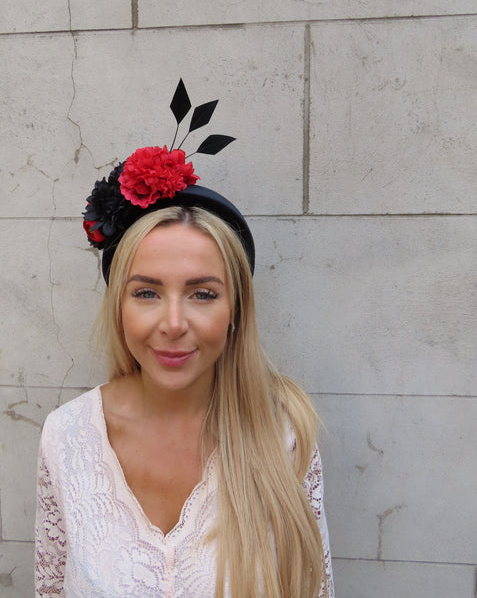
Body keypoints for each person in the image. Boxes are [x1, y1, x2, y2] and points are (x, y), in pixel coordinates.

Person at [35, 81, 335, 598]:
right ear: (119, 307)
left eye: (202, 294)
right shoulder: (66, 440)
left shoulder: (283, 434)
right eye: (147, 292)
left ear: (235, 309)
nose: (173, 323)